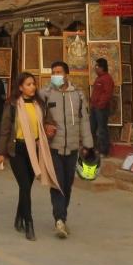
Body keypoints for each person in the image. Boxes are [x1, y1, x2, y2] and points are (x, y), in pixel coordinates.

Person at [0, 72, 60, 241]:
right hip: (17, 150)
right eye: (28, 84)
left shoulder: (40, 104)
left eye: (33, 84)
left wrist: (49, 129)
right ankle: (29, 223)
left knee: (26, 188)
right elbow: (5, 130)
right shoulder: (12, 105)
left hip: (34, 150)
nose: (32, 87)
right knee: (24, 186)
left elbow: (48, 122)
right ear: (21, 87)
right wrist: (0, 153)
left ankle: (18, 217)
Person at [42, 60, 93, 239]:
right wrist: (45, 126)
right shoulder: (46, 94)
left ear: (66, 74)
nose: (56, 75)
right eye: (53, 72)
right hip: (54, 147)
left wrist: (88, 144)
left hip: (72, 147)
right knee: (57, 183)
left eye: (59, 72)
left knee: (68, 184)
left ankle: (62, 216)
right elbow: (37, 115)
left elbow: (84, 120)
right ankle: (59, 219)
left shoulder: (78, 94)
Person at [89, 57, 114, 156]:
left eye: (96, 66)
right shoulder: (98, 78)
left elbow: (107, 94)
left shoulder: (107, 79)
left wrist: (100, 105)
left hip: (101, 109)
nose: (95, 68)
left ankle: (104, 151)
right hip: (94, 108)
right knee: (92, 128)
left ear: (101, 67)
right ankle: (94, 148)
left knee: (102, 130)